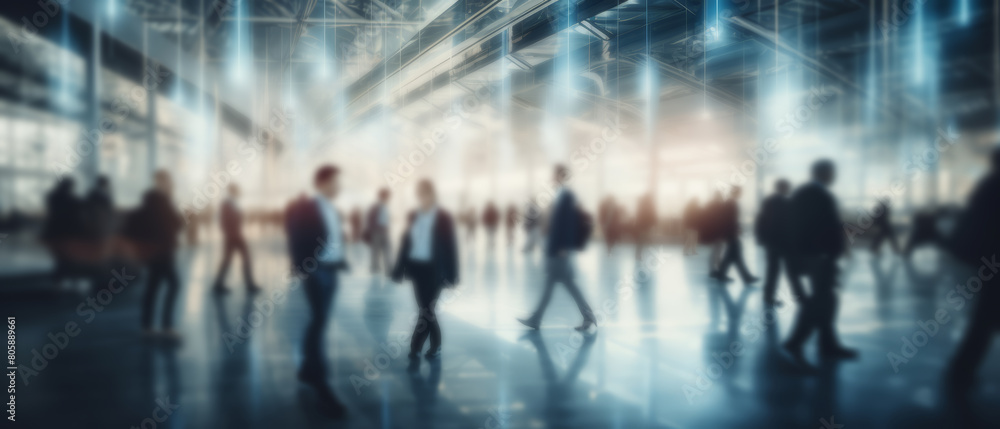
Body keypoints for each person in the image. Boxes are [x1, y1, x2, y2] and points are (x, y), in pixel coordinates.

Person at [284, 165, 348, 418]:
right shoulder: (306, 207)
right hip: (318, 271)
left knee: (318, 322)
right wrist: (303, 267)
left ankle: (308, 370)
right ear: (322, 182)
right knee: (319, 322)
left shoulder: (332, 208)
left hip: (331, 270)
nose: (339, 186)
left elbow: (333, 238)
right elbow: (296, 237)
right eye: (336, 182)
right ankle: (323, 386)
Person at [783, 160, 858, 368]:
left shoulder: (806, 193)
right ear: (823, 173)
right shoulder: (814, 195)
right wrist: (826, 251)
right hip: (817, 256)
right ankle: (796, 342)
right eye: (832, 172)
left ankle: (828, 344)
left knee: (826, 299)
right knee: (821, 301)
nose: (835, 176)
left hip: (817, 255)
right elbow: (816, 226)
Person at [944, 147, 1000, 392]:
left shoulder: (989, 183)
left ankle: (960, 371)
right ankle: (960, 372)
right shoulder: (995, 185)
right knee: (985, 319)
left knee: (985, 319)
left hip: (988, 262)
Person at [518, 165, 597, 332]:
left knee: (553, 283)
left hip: (560, 250)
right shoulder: (561, 195)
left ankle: (536, 319)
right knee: (567, 284)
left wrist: (563, 247)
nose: (552, 177)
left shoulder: (566, 196)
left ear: (561, 176)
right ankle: (588, 317)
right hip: (556, 248)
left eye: (554, 174)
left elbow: (568, 225)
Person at [390, 180, 459, 363]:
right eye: (420, 194)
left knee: (427, 310)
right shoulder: (414, 215)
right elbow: (406, 242)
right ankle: (434, 345)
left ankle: (416, 346)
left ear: (432, 194)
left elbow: (450, 246)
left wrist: (452, 274)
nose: (422, 197)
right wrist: (399, 268)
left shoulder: (443, 217)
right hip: (417, 268)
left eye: (425, 193)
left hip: (435, 269)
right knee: (425, 309)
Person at [132, 171, 184, 341]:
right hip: (164, 251)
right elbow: (177, 223)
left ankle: (147, 326)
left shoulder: (151, 199)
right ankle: (166, 326)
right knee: (173, 284)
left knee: (152, 288)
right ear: (163, 181)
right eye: (168, 180)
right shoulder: (162, 200)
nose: (171, 183)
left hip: (154, 251)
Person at [754, 179, 803, 307]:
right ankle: (800, 297)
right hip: (785, 243)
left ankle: (768, 296)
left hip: (772, 242)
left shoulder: (768, 202)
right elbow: (793, 224)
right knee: (792, 271)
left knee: (772, 271)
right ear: (784, 188)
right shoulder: (788, 203)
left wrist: (761, 239)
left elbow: (760, 220)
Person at [212, 184, 260, 294]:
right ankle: (249, 285)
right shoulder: (227, 204)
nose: (239, 193)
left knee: (230, 260)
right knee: (239, 259)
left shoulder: (233, 204)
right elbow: (223, 222)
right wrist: (230, 234)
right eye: (237, 190)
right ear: (233, 191)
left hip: (236, 236)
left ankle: (218, 285)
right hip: (233, 237)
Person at [714, 186, 758, 284]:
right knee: (736, 254)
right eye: (740, 192)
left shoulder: (729, 203)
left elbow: (729, 219)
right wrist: (736, 230)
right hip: (731, 233)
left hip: (729, 233)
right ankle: (746, 278)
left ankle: (722, 274)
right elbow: (730, 220)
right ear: (736, 193)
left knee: (732, 256)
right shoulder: (731, 203)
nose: (741, 194)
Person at [366, 188, 392, 276]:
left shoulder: (385, 206)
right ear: (382, 196)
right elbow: (370, 219)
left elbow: (386, 219)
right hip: (376, 231)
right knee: (376, 250)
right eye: (387, 196)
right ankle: (375, 267)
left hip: (384, 230)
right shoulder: (376, 207)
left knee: (387, 249)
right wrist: (371, 231)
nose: (388, 198)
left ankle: (388, 268)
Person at [633, 193, 657, 260]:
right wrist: (654, 224)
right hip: (647, 226)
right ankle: (650, 255)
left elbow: (638, 216)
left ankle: (638, 255)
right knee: (648, 241)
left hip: (643, 226)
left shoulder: (641, 205)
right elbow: (653, 215)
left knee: (641, 241)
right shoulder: (650, 205)